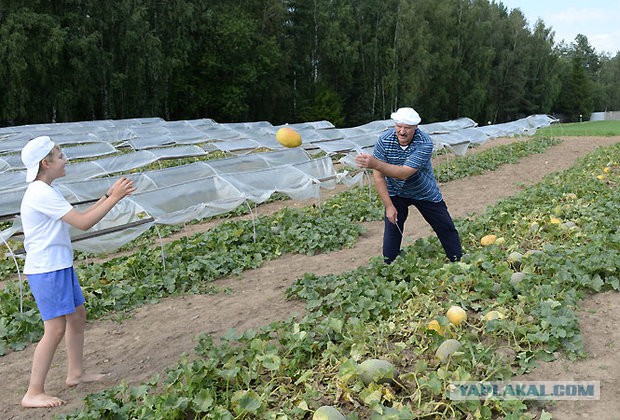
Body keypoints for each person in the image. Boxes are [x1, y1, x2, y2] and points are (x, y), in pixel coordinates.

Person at [19, 135, 135, 408]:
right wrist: (115, 199)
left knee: (77, 316)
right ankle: (33, 392)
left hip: (58, 266)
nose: (65, 159)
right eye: (60, 156)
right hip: (47, 270)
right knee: (55, 328)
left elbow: (77, 217)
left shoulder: (48, 189)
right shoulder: (40, 193)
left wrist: (107, 196)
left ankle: (76, 373)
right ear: (46, 163)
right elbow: (83, 223)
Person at [355, 107, 462, 263]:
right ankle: (389, 266)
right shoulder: (384, 140)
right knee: (392, 230)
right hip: (396, 192)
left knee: (445, 227)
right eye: (399, 126)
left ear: (416, 128)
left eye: (407, 128)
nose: (402, 131)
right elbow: (378, 176)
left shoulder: (424, 143)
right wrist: (389, 206)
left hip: (424, 191)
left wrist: (375, 163)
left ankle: (457, 260)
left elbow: (404, 173)